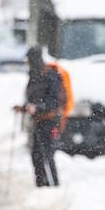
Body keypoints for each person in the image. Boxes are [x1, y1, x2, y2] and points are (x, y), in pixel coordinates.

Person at [16, 47, 65, 187]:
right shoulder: (33, 76)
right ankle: (41, 184)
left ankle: (53, 185)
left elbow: (54, 101)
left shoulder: (50, 76)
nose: (28, 63)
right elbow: (33, 98)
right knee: (36, 155)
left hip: (49, 121)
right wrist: (24, 108)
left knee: (48, 154)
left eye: (29, 60)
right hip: (37, 122)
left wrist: (39, 107)